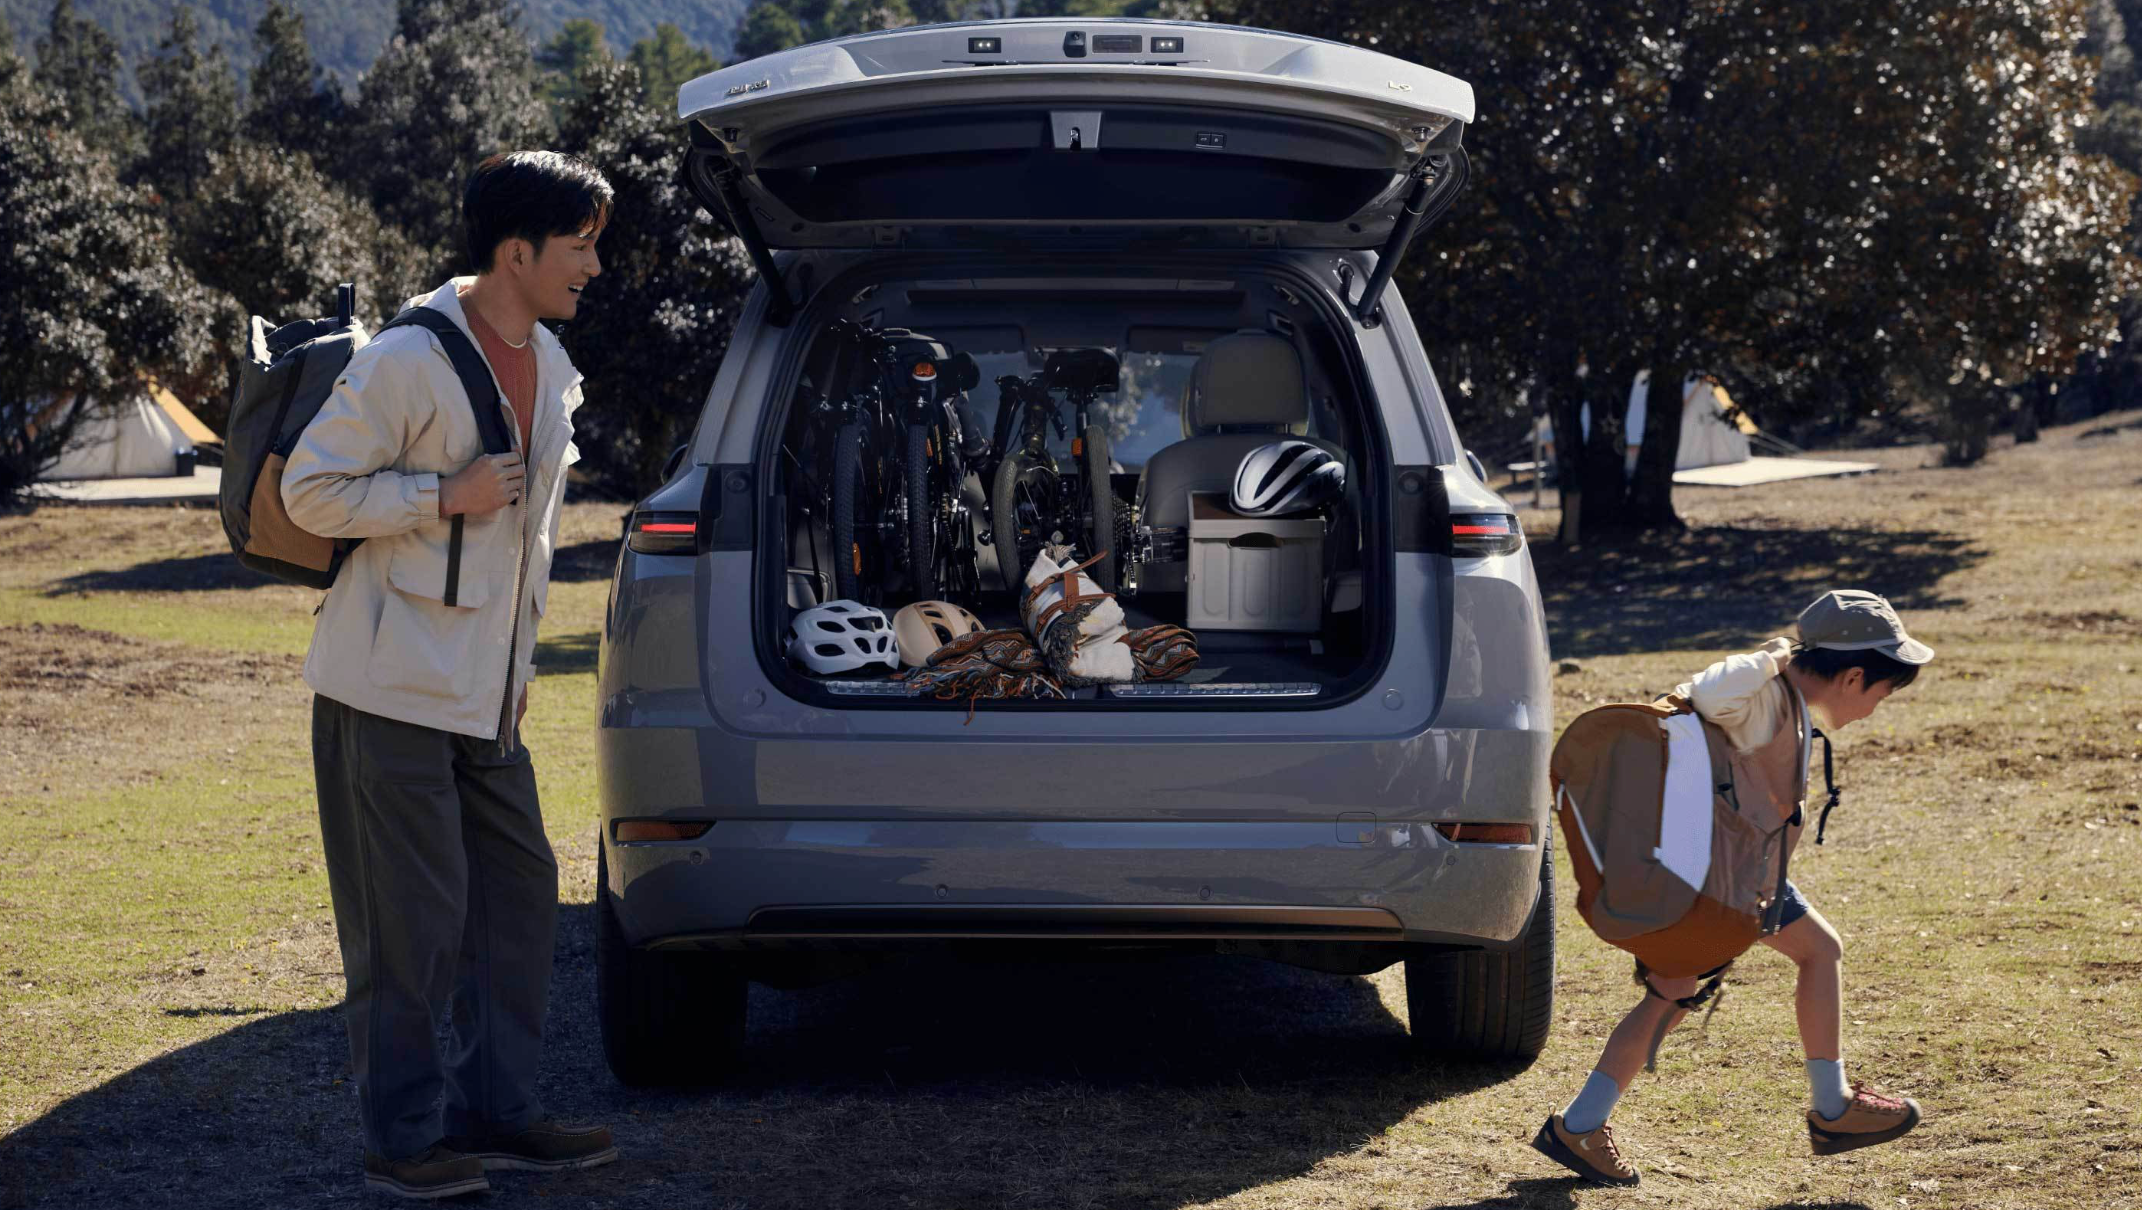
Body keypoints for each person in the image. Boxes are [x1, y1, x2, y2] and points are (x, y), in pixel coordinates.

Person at [282, 151, 614, 1201]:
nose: (593, 266)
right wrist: (440, 494)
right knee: (409, 925)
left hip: (485, 696)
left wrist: (517, 667)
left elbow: (529, 544)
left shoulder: (549, 361)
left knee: (519, 894)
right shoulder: (406, 359)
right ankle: (403, 1140)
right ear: (517, 252)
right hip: (385, 690)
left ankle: (497, 1114)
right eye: (580, 245)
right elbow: (308, 491)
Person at [1532, 589, 1935, 1186]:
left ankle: (1580, 1125)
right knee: (1820, 951)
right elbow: (1709, 691)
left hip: (1701, 873)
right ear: (1853, 676)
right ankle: (1833, 1107)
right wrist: (1778, 654)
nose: (1879, 705)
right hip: (1719, 883)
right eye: (1883, 691)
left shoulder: (1782, 701)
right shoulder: (1767, 694)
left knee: (1672, 993)